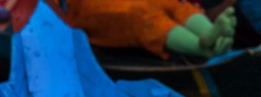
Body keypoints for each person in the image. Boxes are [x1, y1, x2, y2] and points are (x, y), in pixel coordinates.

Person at [62, 0, 236, 60]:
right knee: (141, 16)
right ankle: (203, 48)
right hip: (79, 8)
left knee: (169, 3)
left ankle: (211, 34)